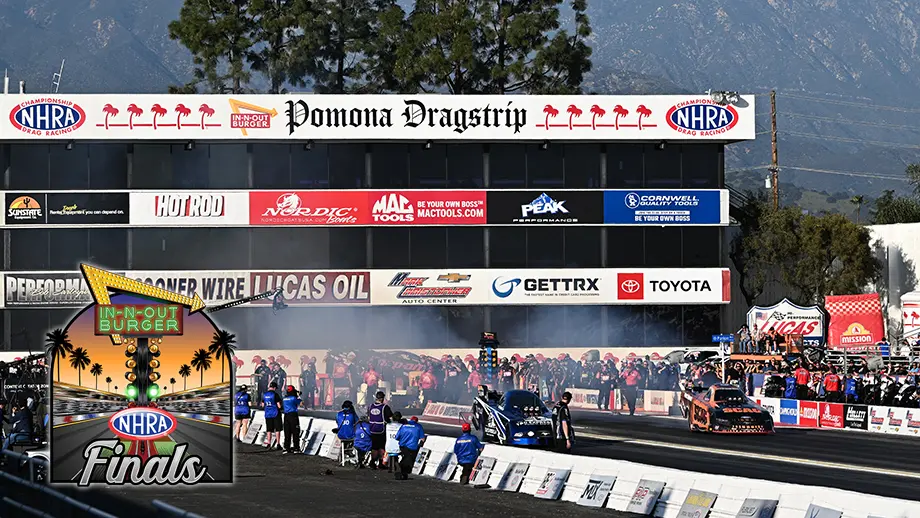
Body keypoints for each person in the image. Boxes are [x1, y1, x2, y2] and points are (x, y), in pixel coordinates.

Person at [367, 391, 394, 470]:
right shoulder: (385, 407)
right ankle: (380, 462)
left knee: (374, 447)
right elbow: (391, 418)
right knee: (382, 447)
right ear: (382, 398)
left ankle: (372, 462)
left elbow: (368, 417)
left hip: (372, 429)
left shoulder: (370, 406)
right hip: (382, 430)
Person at [394, 414, 426, 480]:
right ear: (416, 421)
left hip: (402, 446)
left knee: (406, 458)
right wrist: (420, 445)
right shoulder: (418, 426)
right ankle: (400, 469)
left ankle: (402, 472)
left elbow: (397, 437)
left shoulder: (403, 426)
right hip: (412, 447)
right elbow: (423, 439)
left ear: (410, 420)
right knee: (408, 460)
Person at [261, 382, 283, 449]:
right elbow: (279, 406)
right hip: (275, 413)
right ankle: (278, 444)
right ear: (275, 388)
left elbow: (262, 405)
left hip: (268, 414)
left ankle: (269, 443)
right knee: (277, 429)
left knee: (269, 429)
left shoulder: (264, 395)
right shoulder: (275, 394)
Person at [281, 385, 302, 454]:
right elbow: (301, 403)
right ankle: (296, 448)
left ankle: (286, 448)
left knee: (287, 432)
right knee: (295, 432)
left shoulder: (284, 398)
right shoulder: (293, 398)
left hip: (286, 416)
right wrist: (299, 396)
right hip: (293, 415)